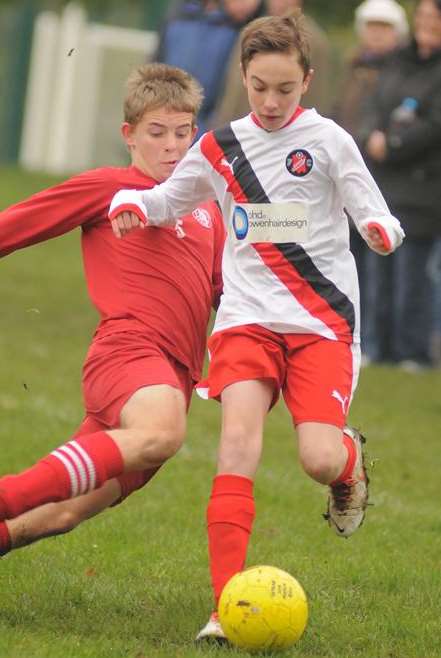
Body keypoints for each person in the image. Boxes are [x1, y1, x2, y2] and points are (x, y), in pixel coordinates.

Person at [108, 14, 404, 642]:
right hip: (246, 321)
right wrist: (131, 203)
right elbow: (168, 199)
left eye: (285, 90)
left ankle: (348, 463)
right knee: (236, 448)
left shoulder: (328, 141)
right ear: (243, 77)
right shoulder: (219, 147)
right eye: (260, 87)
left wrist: (380, 233)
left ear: (308, 82)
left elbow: (373, 210)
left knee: (316, 458)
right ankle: (224, 607)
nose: (271, 103)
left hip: (321, 323)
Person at [0, 63, 225, 556]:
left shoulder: (208, 208)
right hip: (127, 352)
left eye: (183, 133)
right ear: (130, 135)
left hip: (174, 378)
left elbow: (227, 294)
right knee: (163, 432)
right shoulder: (110, 187)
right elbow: (12, 226)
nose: (172, 146)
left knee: (62, 513)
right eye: (157, 133)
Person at [359, 0, 441, 369]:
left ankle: (413, 350)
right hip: (385, 184)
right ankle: (378, 345)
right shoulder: (399, 61)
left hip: (424, 187)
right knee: (380, 271)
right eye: (423, 17)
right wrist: (373, 135)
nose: (427, 24)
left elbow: (433, 125)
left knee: (413, 277)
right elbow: (376, 105)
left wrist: (393, 144)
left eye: (434, 18)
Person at [333, 0, 409, 363]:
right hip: (340, 177)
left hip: (380, 179)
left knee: (382, 269)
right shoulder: (350, 67)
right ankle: (354, 334)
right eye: (372, 27)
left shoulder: (398, 70)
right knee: (351, 264)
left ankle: (382, 344)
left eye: (385, 28)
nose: (377, 35)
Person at [212, 0, 334, 127]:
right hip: (239, 130)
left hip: (289, 135)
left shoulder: (314, 40)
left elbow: (317, 98)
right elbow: (232, 90)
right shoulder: (252, 31)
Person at [155, 0, 239, 135]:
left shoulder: (235, 25)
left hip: (206, 126)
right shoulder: (176, 15)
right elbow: (156, 64)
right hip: (165, 115)